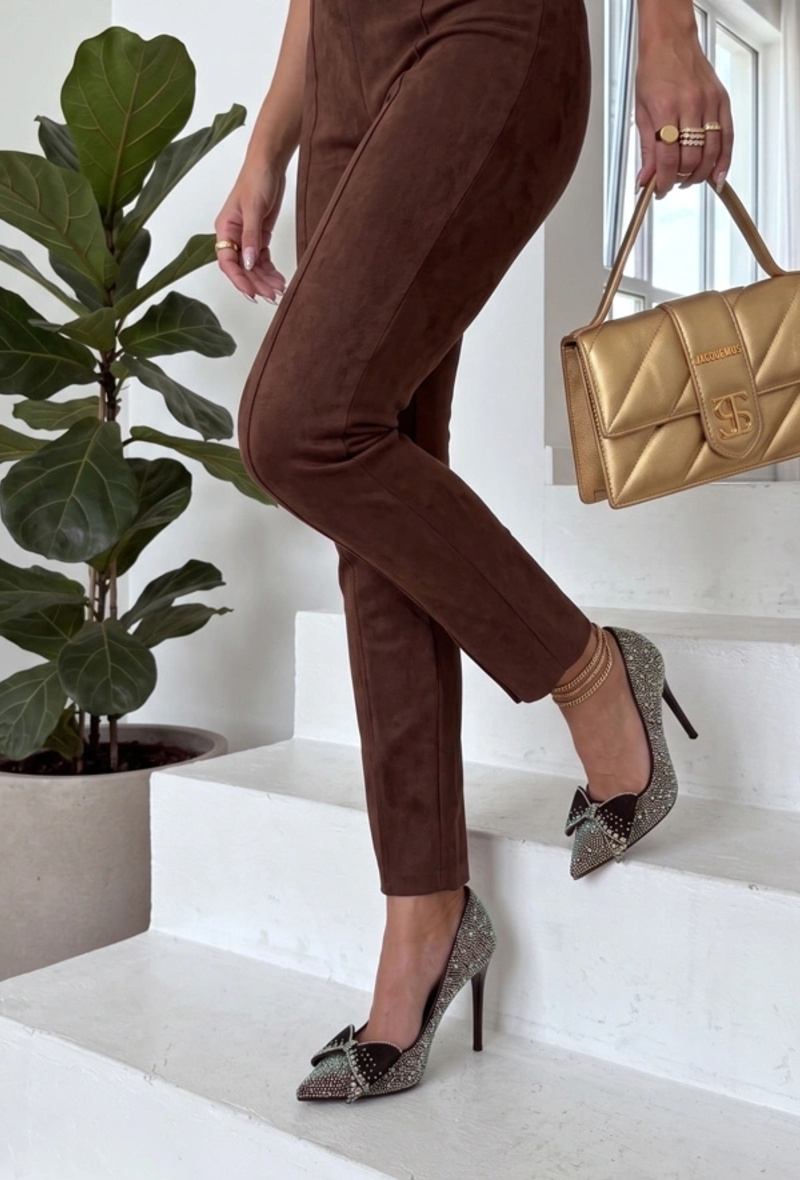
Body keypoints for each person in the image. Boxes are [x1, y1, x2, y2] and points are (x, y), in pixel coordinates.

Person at [214, 0, 730, 1103]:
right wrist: (269, 142)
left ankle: (593, 675)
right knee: (367, 455)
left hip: (490, 25)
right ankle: (424, 913)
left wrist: (668, 32)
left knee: (299, 426)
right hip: (343, 62)